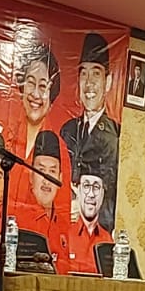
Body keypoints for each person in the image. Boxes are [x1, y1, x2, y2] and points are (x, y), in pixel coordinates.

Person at [6, 44, 72, 230]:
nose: (35, 94)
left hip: (38, 241)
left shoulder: (59, 149)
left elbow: (62, 215)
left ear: (52, 98)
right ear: (21, 87)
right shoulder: (6, 137)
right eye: (30, 83)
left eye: (43, 86)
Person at [60, 32, 120, 233]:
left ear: (108, 82)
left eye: (96, 74)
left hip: (96, 232)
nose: (89, 83)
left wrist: (86, 209)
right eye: (83, 74)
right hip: (65, 228)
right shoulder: (67, 130)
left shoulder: (116, 134)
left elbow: (112, 195)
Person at [17, 129, 71, 273]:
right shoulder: (18, 223)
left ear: (60, 178)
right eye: (41, 171)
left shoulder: (66, 226)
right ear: (31, 176)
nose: (47, 180)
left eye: (52, 171)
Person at [70, 150, 114, 274]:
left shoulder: (107, 241)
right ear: (77, 190)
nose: (91, 194)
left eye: (96, 187)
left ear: (103, 194)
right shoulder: (65, 235)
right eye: (86, 186)